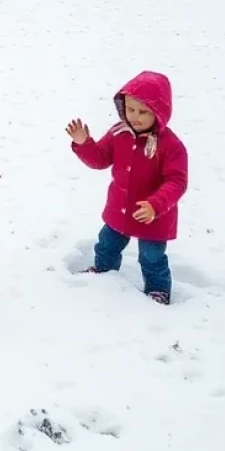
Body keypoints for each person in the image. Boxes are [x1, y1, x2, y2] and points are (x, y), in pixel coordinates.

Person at [67, 71, 188, 305]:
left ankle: (158, 289)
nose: (135, 117)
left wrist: (156, 204)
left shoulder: (171, 146)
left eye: (144, 112)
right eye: (131, 109)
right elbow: (100, 159)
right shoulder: (118, 133)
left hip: (153, 216)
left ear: (160, 111)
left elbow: (177, 181)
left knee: (151, 257)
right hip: (119, 209)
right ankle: (104, 272)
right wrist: (84, 144)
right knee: (106, 244)